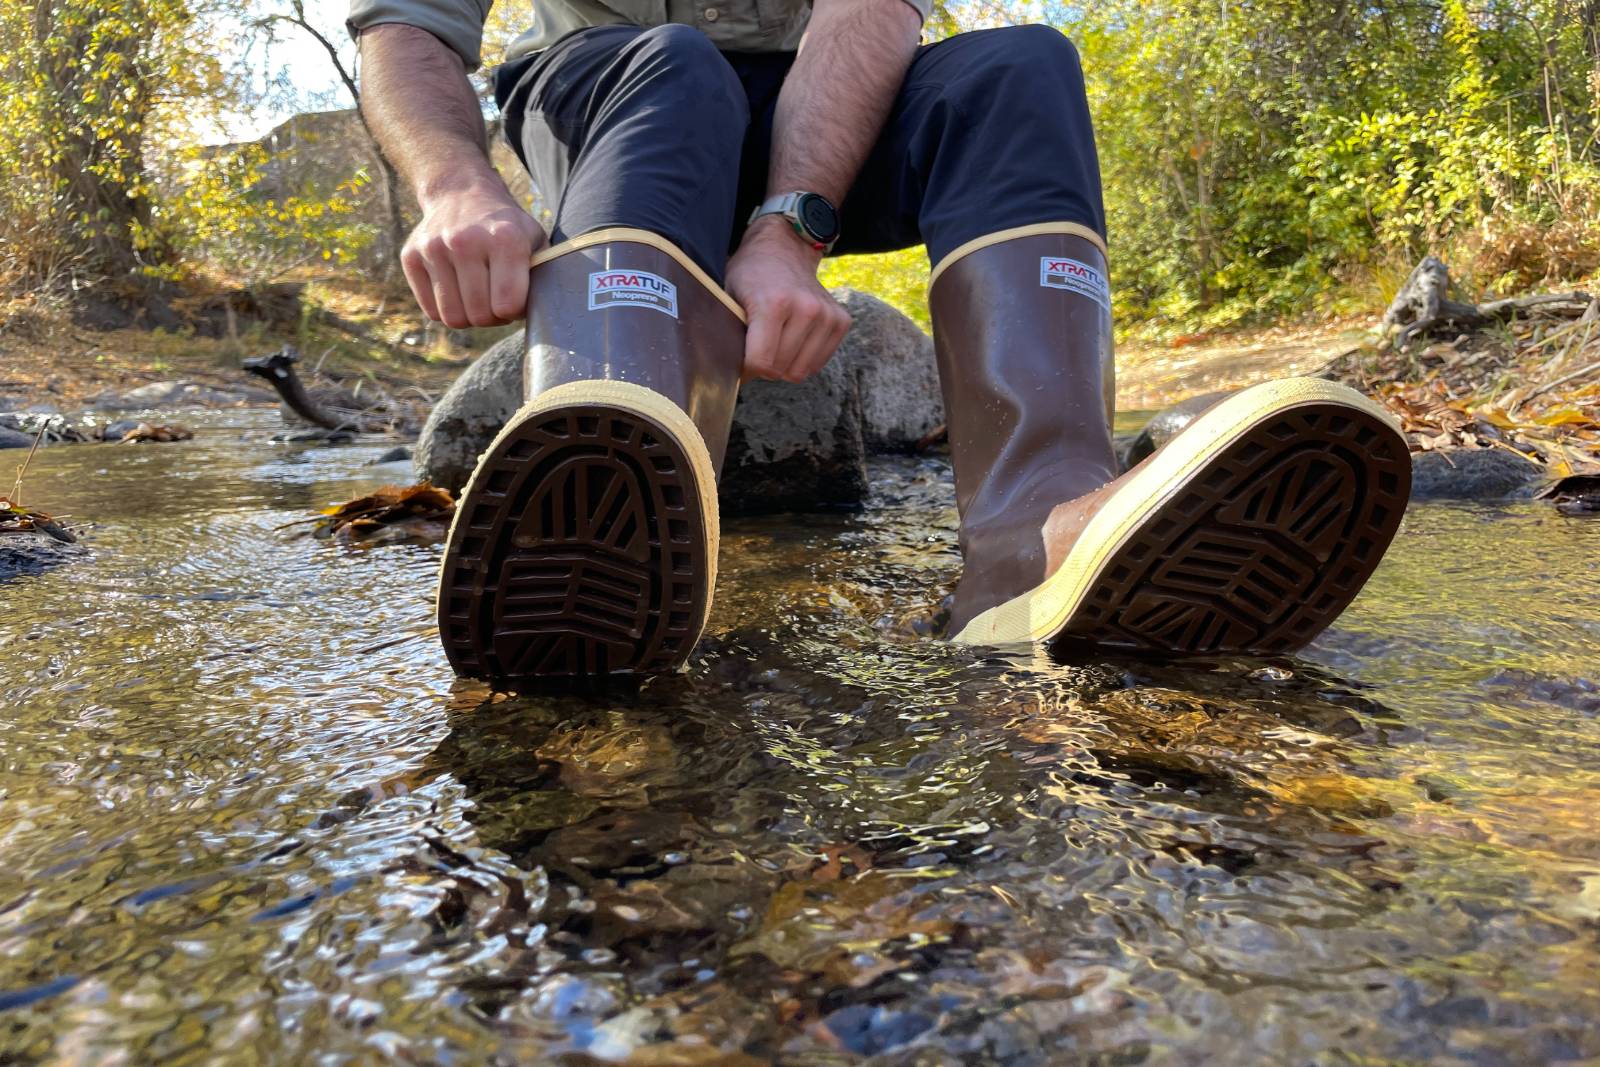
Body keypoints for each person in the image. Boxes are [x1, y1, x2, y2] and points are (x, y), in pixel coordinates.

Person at [349, 0, 1412, 685]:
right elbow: (406, 26)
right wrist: (454, 186)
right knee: (673, 64)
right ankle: (595, 470)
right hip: (625, 104)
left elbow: (869, 13)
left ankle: (1034, 542)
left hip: (828, 118)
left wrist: (783, 233)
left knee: (1019, 67)